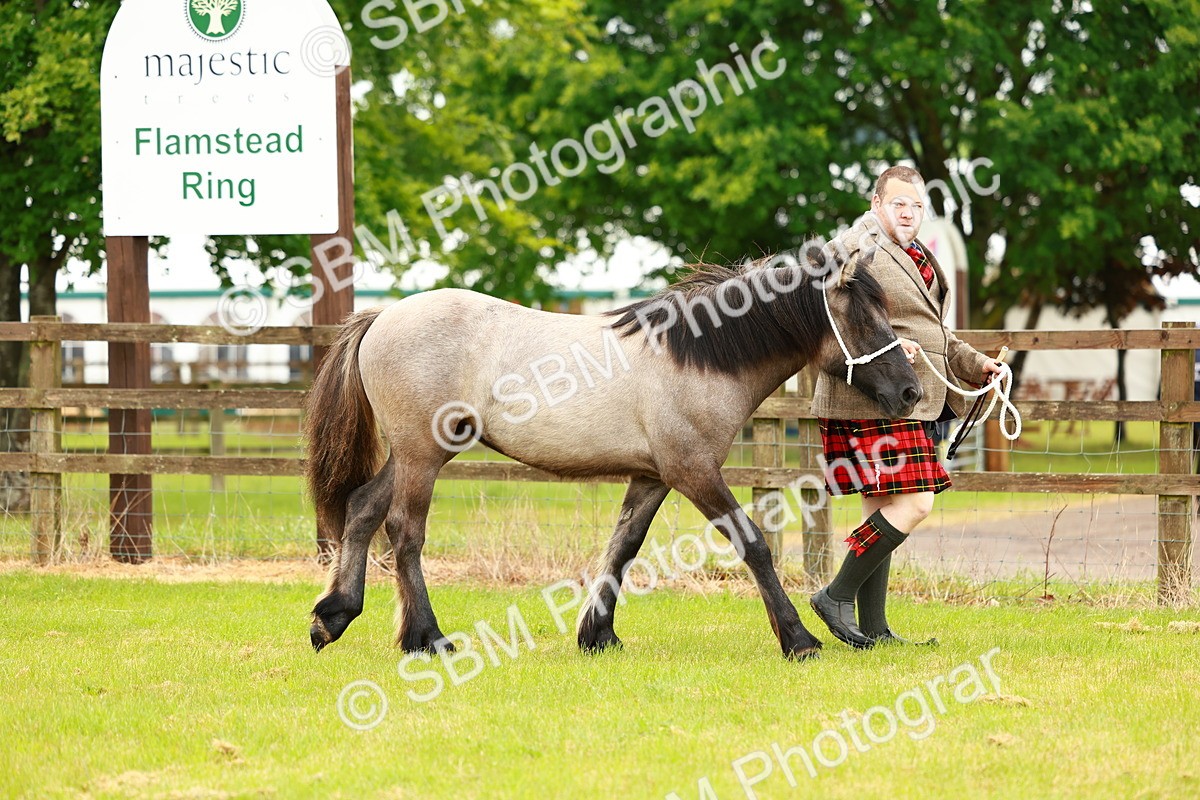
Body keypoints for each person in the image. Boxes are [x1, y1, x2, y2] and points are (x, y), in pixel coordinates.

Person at [809, 165, 1005, 648]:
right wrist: (891, 347)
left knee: (883, 506)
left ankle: (874, 629)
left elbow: (935, 332)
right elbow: (829, 319)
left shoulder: (918, 255)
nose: (909, 213)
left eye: (917, 206)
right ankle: (835, 595)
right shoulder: (851, 248)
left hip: (905, 399)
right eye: (899, 203)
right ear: (876, 203)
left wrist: (978, 365)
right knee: (917, 502)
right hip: (868, 397)